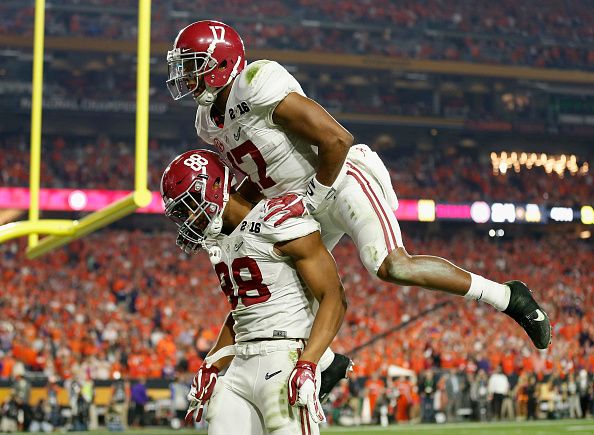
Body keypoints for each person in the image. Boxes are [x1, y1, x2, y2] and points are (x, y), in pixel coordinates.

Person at [165, 20, 551, 351]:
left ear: (222, 61)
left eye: (193, 65)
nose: (186, 76)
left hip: (341, 178)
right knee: (283, 297)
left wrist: (310, 196)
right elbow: (259, 170)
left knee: (390, 265)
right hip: (300, 200)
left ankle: (507, 296)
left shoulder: (256, 84)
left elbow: (336, 139)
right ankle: (329, 366)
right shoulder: (207, 122)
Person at [160, 149, 348, 434]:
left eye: (189, 206)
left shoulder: (275, 219)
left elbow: (334, 297)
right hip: (240, 366)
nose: (188, 219)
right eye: (181, 213)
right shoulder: (221, 242)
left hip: (284, 360)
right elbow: (243, 313)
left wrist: (309, 363)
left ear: (213, 186)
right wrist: (212, 364)